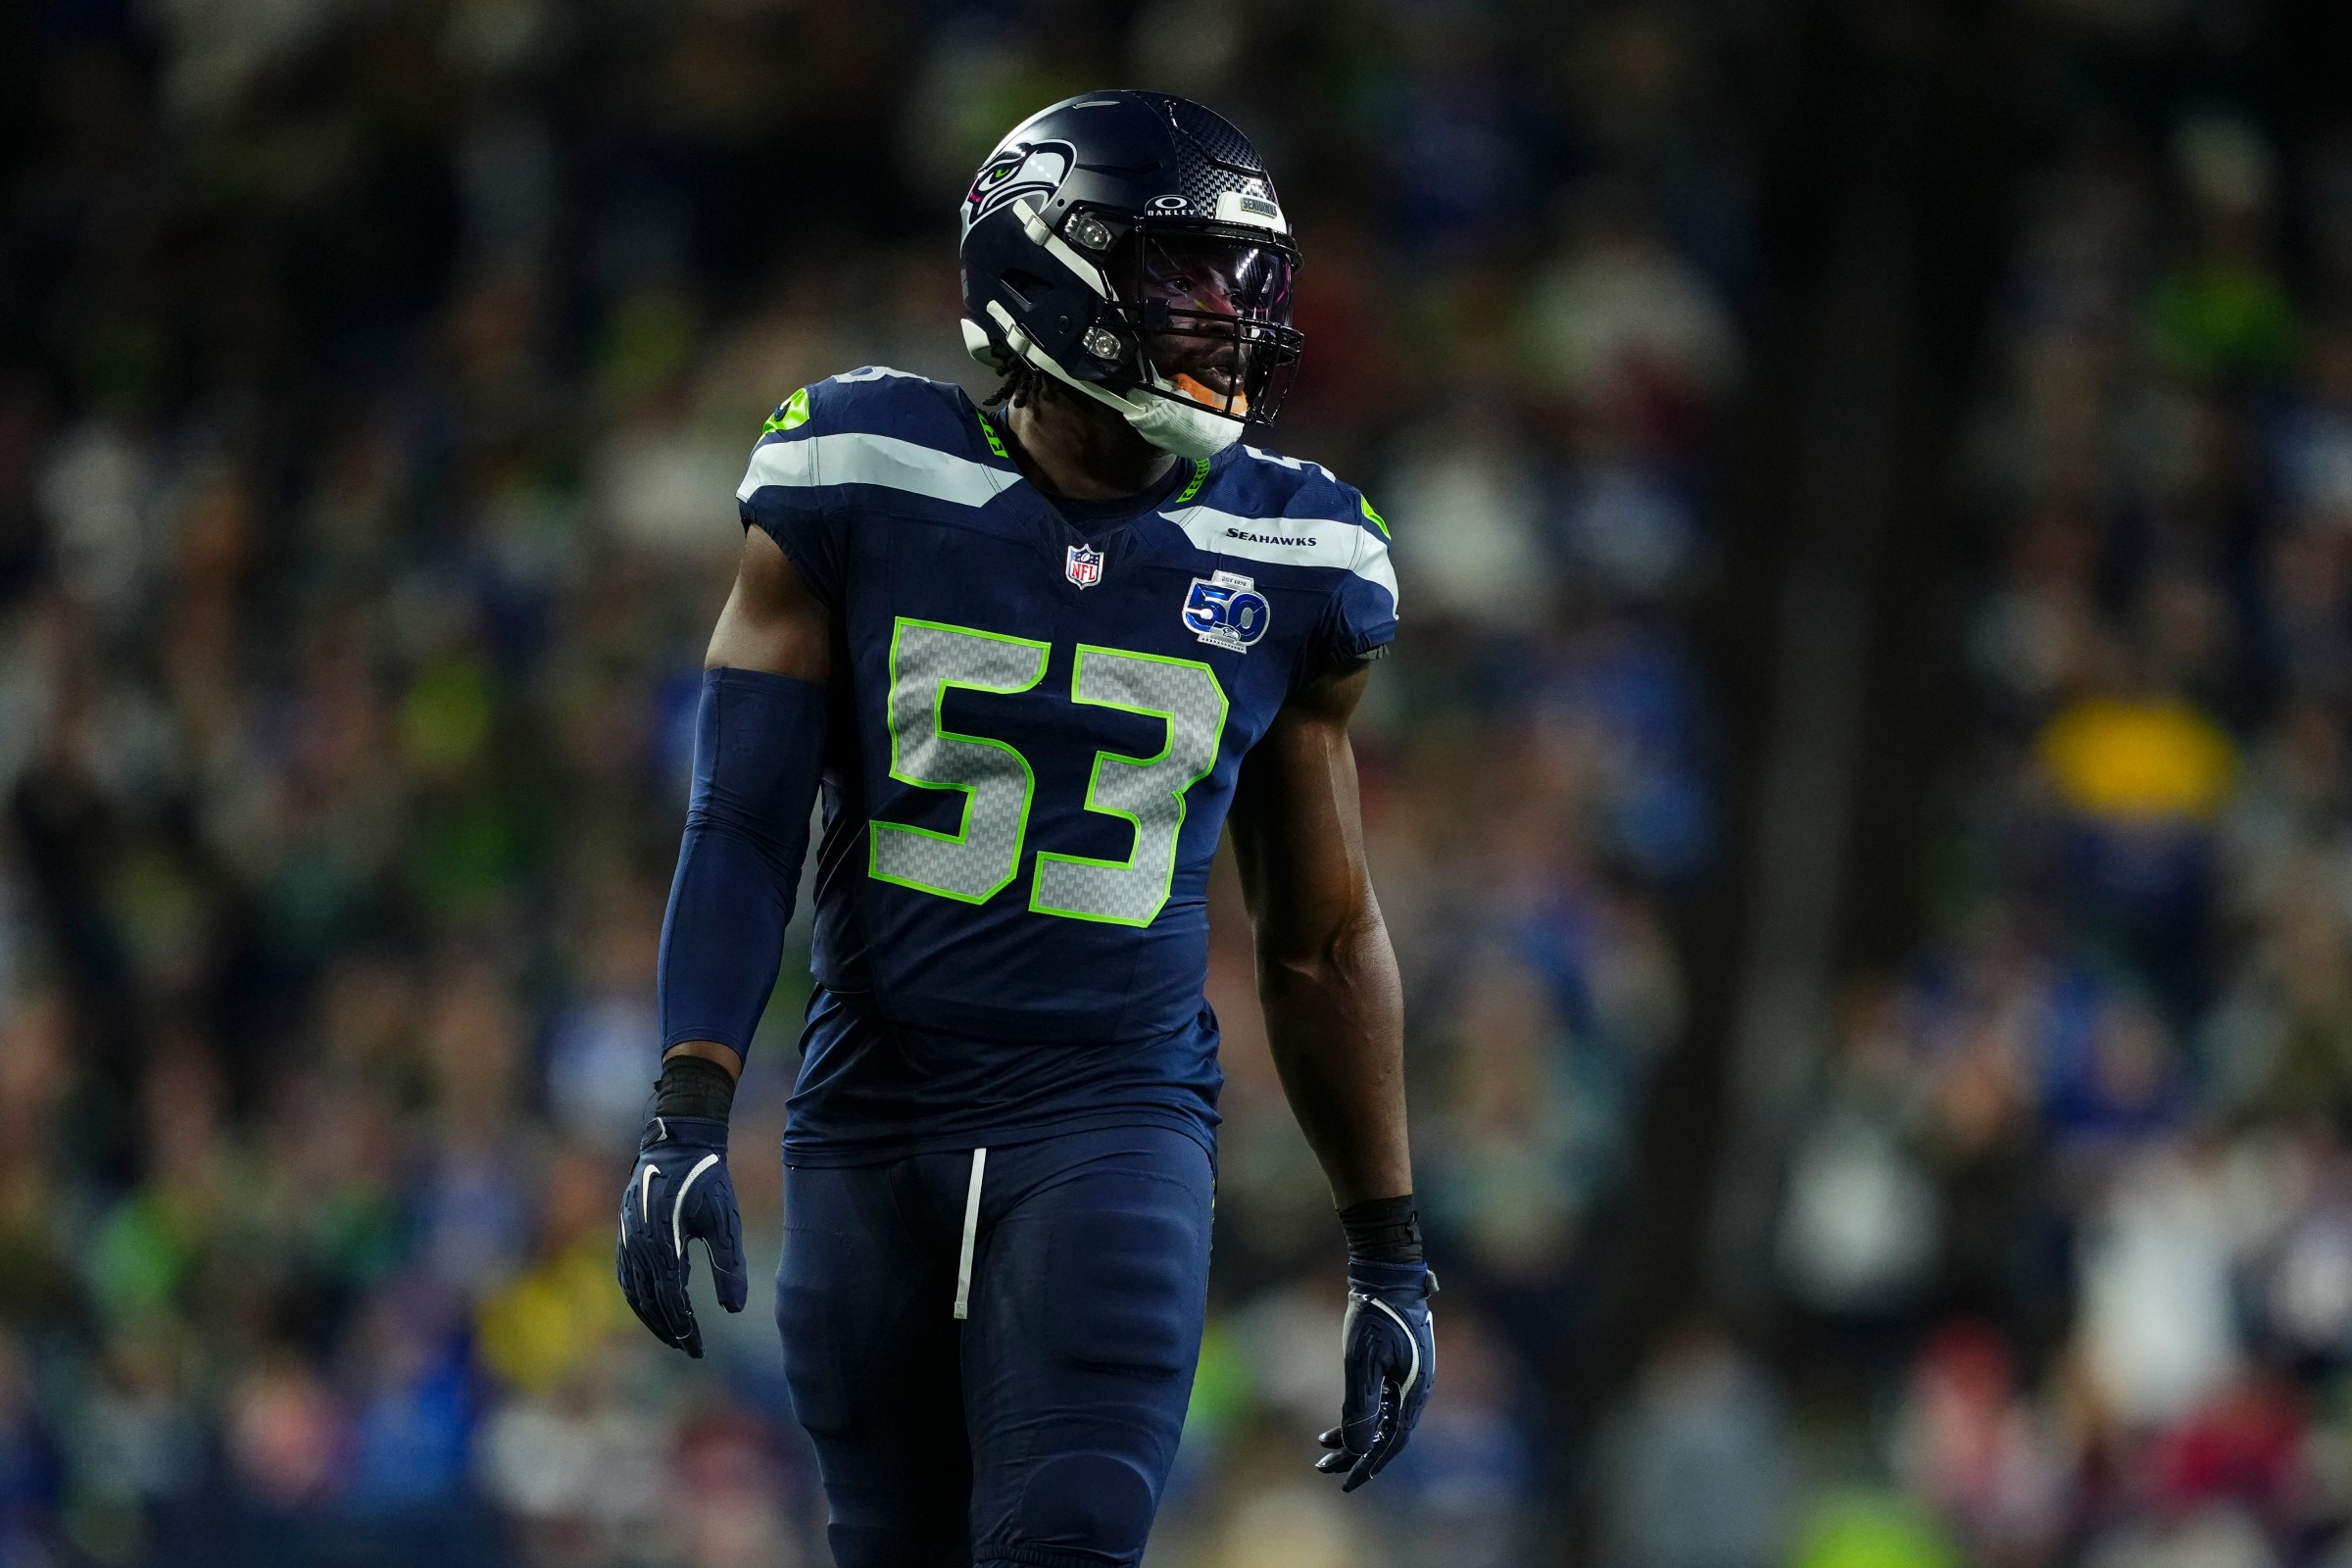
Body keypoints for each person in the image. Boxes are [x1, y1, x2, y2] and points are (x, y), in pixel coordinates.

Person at [612, 90, 1433, 1568]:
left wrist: (1389, 1247)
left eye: (1245, 280)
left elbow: (1315, 942)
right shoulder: (860, 472)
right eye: (1184, 273)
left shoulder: (1298, 551)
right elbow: (740, 825)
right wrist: (685, 1110)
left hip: (1109, 1118)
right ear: (1047, 269)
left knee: (1066, 1539)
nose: (1228, 318)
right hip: (877, 1109)